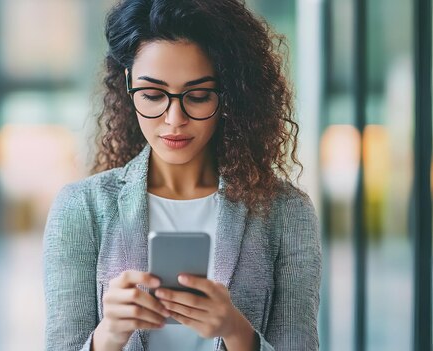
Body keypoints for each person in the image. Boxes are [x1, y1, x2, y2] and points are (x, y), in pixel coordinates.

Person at [43, 0, 321, 350]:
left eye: (199, 95)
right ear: (128, 83)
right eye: (153, 95)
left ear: (229, 92)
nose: (174, 119)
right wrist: (108, 336)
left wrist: (237, 333)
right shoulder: (82, 208)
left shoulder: (285, 211)